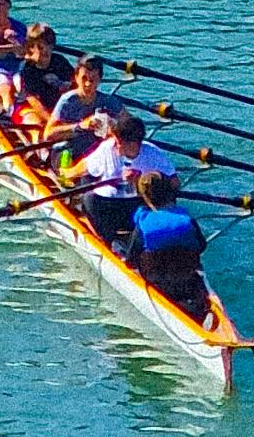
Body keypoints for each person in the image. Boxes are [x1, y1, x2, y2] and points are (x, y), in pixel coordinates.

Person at [129, 168, 214, 322]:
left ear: (144, 196)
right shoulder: (187, 219)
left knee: (121, 250)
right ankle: (199, 312)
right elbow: (202, 246)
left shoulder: (143, 222)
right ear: (169, 192)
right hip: (186, 278)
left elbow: (132, 257)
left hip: (156, 280)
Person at [68, 112, 143, 248]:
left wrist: (141, 180)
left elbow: (173, 184)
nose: (115, 144)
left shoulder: (153, 154)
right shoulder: (107, 148)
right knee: (89, 198)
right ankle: (105, 240)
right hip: (109, 204)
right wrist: (68, 174)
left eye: (118, 142)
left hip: (136, 204)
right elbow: (85, 167)